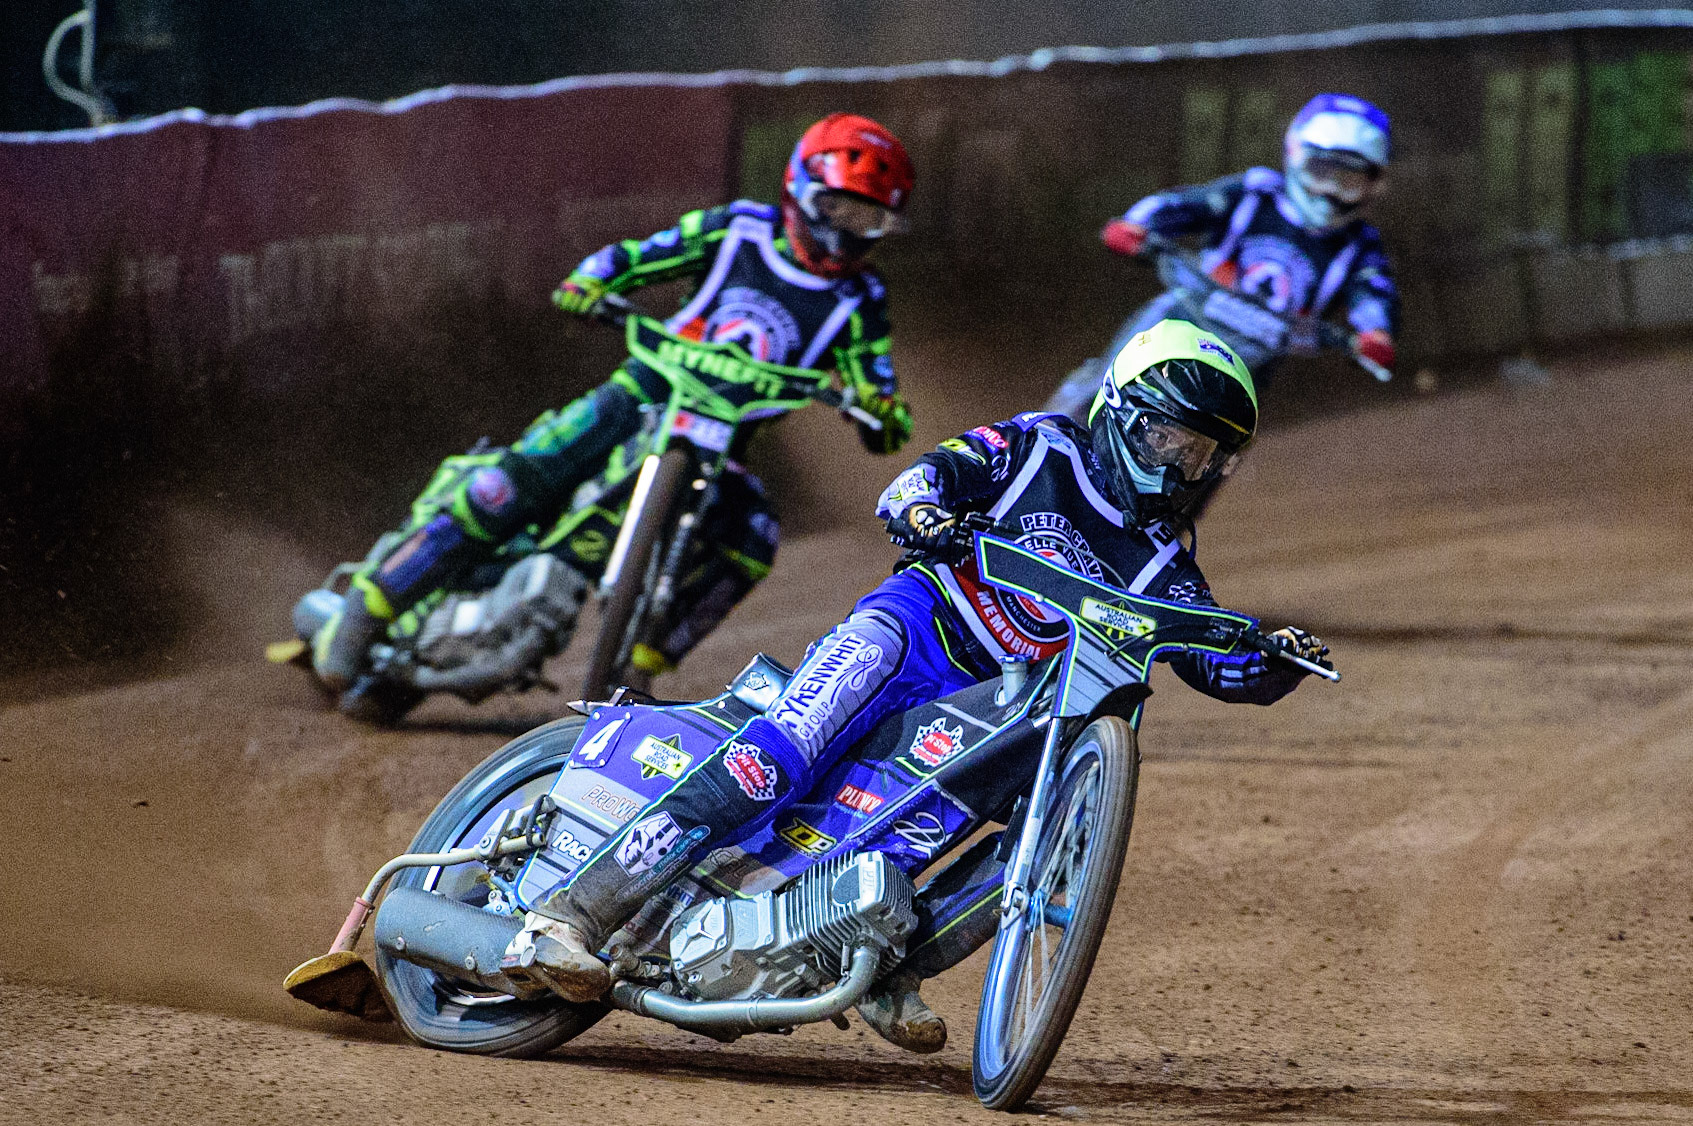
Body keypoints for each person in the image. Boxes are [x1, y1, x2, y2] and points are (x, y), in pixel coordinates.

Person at [505, 319, 1331, 1053]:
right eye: (1170, 443)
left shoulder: (1166, 564)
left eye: (1203, 455)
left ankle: (881, 966)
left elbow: (1216, 660)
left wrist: (1273, 660)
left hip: (989, 704)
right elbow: (919, 481)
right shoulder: (1039, 446)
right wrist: (928, 514)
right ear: (1120, 412)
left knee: (968, 840)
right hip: (911, 630)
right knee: (778, 756)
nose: (1182, 468)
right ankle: (570, 913)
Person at [308, 113, 916, 702]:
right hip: (639, 394)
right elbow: (640, 255)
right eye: (839, 208)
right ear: (801, 190)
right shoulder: (735, 230)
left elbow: (876, 384)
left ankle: (641, 668)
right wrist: (593, 281)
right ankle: (363, 610)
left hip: (722, 446)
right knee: (507, 483)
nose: (848, 228)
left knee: (753, 538)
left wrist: (878, 410)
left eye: (868, 217)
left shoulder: (862, 299)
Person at [1046, 93, 1401, 424]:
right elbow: (1181, 205)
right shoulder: (1254, 196)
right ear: (1296, 156)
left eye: (1349, 181)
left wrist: (1375, 332)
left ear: (1373, 184)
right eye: (1322, 172)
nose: (1331, 193)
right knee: (1101, 386)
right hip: (1180, 320)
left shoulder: (1361, 246)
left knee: (1216, 444)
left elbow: (1373, 290)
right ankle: (1035, 446)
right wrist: (1137, 226)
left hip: (1250, 362)